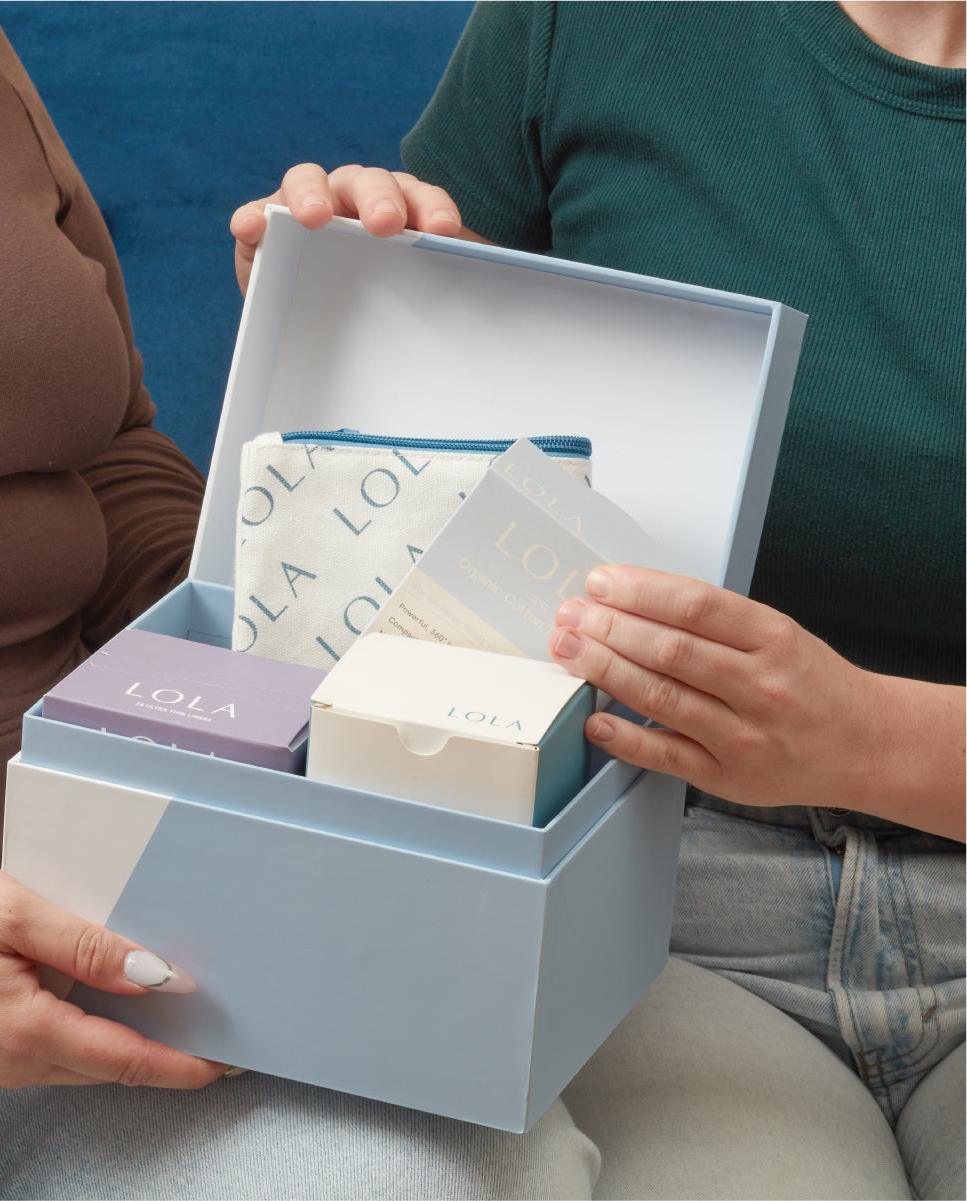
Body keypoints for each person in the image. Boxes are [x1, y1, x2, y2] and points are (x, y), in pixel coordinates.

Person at [230, 1, 966, 1197]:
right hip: (641, 885)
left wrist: (864, 740)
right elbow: (432, 467)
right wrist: (325, 309)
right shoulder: (593, 18)